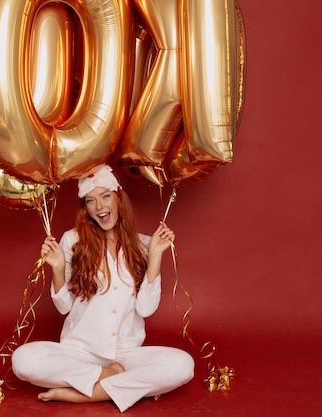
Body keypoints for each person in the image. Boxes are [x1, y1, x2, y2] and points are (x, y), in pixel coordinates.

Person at [11, 164, 194, 412]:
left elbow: (146, 308)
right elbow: (64, 306)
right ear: (85, 208)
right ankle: (114, 380)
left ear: (118, 198)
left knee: (182, 365)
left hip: (126, 354)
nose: (100, 207)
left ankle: (88, 394)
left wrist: (155, 256)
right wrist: (55, 268)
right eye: (90, 201)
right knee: (23, 360)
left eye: (105, 196)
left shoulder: (145, 245)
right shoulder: (72, 240)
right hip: (79, 352)